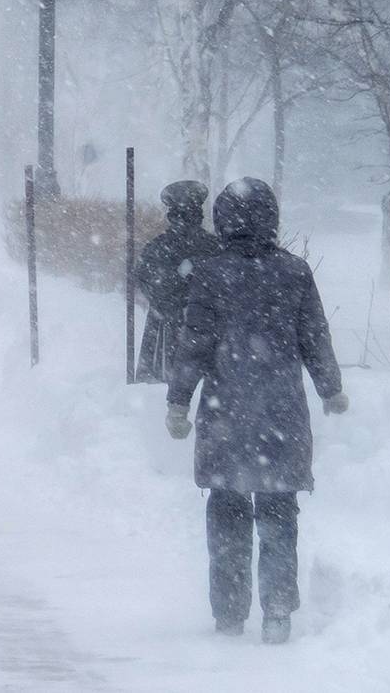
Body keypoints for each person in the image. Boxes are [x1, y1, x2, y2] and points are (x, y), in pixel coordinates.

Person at [166, 177, 349, 645]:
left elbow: (195, 343)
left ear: (223, 221)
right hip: (280, 415)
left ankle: (229, 614)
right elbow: (315, 335)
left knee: (226, 512)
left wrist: (178, 400)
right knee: (278, 515)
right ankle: (278, 611)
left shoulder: (210, 274)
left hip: (224, 412)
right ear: (272, 219)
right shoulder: (295, 272)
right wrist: (329, 389)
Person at [134, 181, 221, 383]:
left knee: (161, 384)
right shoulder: (214, 246)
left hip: (166, 329)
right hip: (198, 327)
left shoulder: (157, 247)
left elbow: (147, 283)